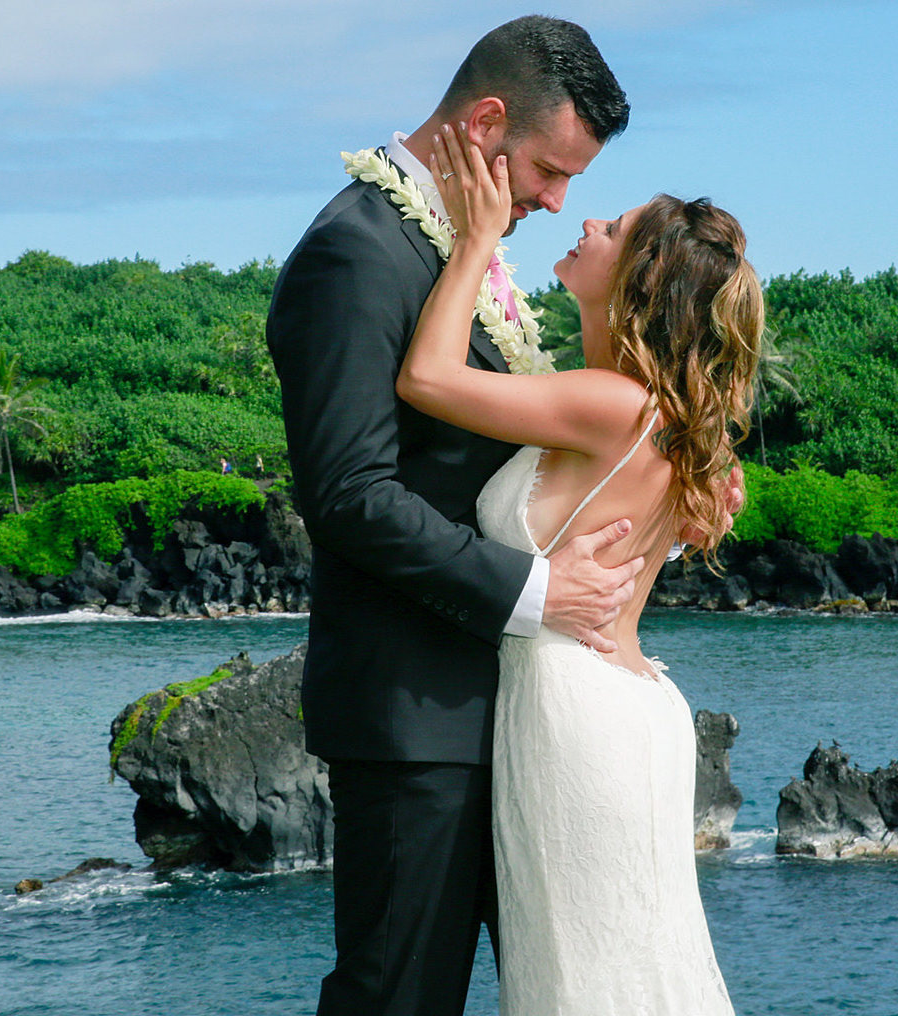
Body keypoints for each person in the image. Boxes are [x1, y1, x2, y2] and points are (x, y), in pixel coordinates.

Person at [266, 17, 636, 1016]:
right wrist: (537, 592)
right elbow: (349, 494)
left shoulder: (461, 253)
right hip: (412, 721)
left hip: (508, 715)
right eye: (548, 170)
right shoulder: (355, 253)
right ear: (483, 124)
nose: (556, 201)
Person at [396, 123, 761, 1012]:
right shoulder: (660, 417)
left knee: (584, 976)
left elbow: (427, 380)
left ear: (639, 278)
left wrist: (477, 241)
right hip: (620, 702)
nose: (588, 221)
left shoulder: (611, 404)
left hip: (579, 708)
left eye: (616, 227)